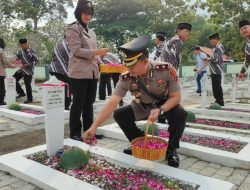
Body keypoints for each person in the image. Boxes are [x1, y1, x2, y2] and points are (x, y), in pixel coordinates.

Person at [84, 35, 187, 168]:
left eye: (132, 66)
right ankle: (138, 143)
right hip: (142, 106)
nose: (129, 70)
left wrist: (160, 110)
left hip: (164, 105)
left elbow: (175, 97)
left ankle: (171, 149)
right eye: (127, 65)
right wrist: (94, 126)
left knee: (180, 113)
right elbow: (112, 102)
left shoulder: (165, 69)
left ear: (144, 61)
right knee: (120, 114)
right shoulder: (127, 77)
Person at [66, 0, 108, 141]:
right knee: (78, 103)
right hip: (78, 72)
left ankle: (90, 131)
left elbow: (94, 55)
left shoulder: (92, 32)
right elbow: (76, 50)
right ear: (78, 13)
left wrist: (103, 64)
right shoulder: (72, 28)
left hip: (92, 73)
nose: (87, 16)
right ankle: (75, 133)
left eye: (90, 14)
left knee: (89, 104)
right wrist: (97, 51)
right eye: (85, 13)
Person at [199, 33, 225, 106]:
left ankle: (220, 101)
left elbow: (216, 58)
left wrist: (207, 59)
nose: (211, 43)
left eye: (211, 41)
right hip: (214, 70)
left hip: (217, 70)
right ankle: (217, 100)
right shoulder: (215, 48)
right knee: (215, 86)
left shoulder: (219, 47)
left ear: (216, 39)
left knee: (217, 86)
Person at [49, 36, 71, 110]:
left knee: (57, 88)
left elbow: (53, 56)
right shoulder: (71, 46)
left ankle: (55, 105)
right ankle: (65, 106)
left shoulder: (58, 45)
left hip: (53, 68)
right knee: (67, 88)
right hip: (62, 70)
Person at [13, 38, 38, 104]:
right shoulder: (20, 51)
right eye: (20, 45)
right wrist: (16, 62)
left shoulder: (32, 51)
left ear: (26, 44)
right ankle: (21, 93)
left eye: (22, 45)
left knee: (27, 85)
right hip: (22, 69)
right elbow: (17, 59)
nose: (21, 47)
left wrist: (28, 65)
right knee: (13, 79)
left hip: (29, 71)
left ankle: (30, 99)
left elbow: (35, 60)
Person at [0, 38, 16, 105]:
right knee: (1, 87)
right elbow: (5, 61)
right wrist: (12, 66)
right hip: (0, 72)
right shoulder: (0, 50)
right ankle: (1, 101)